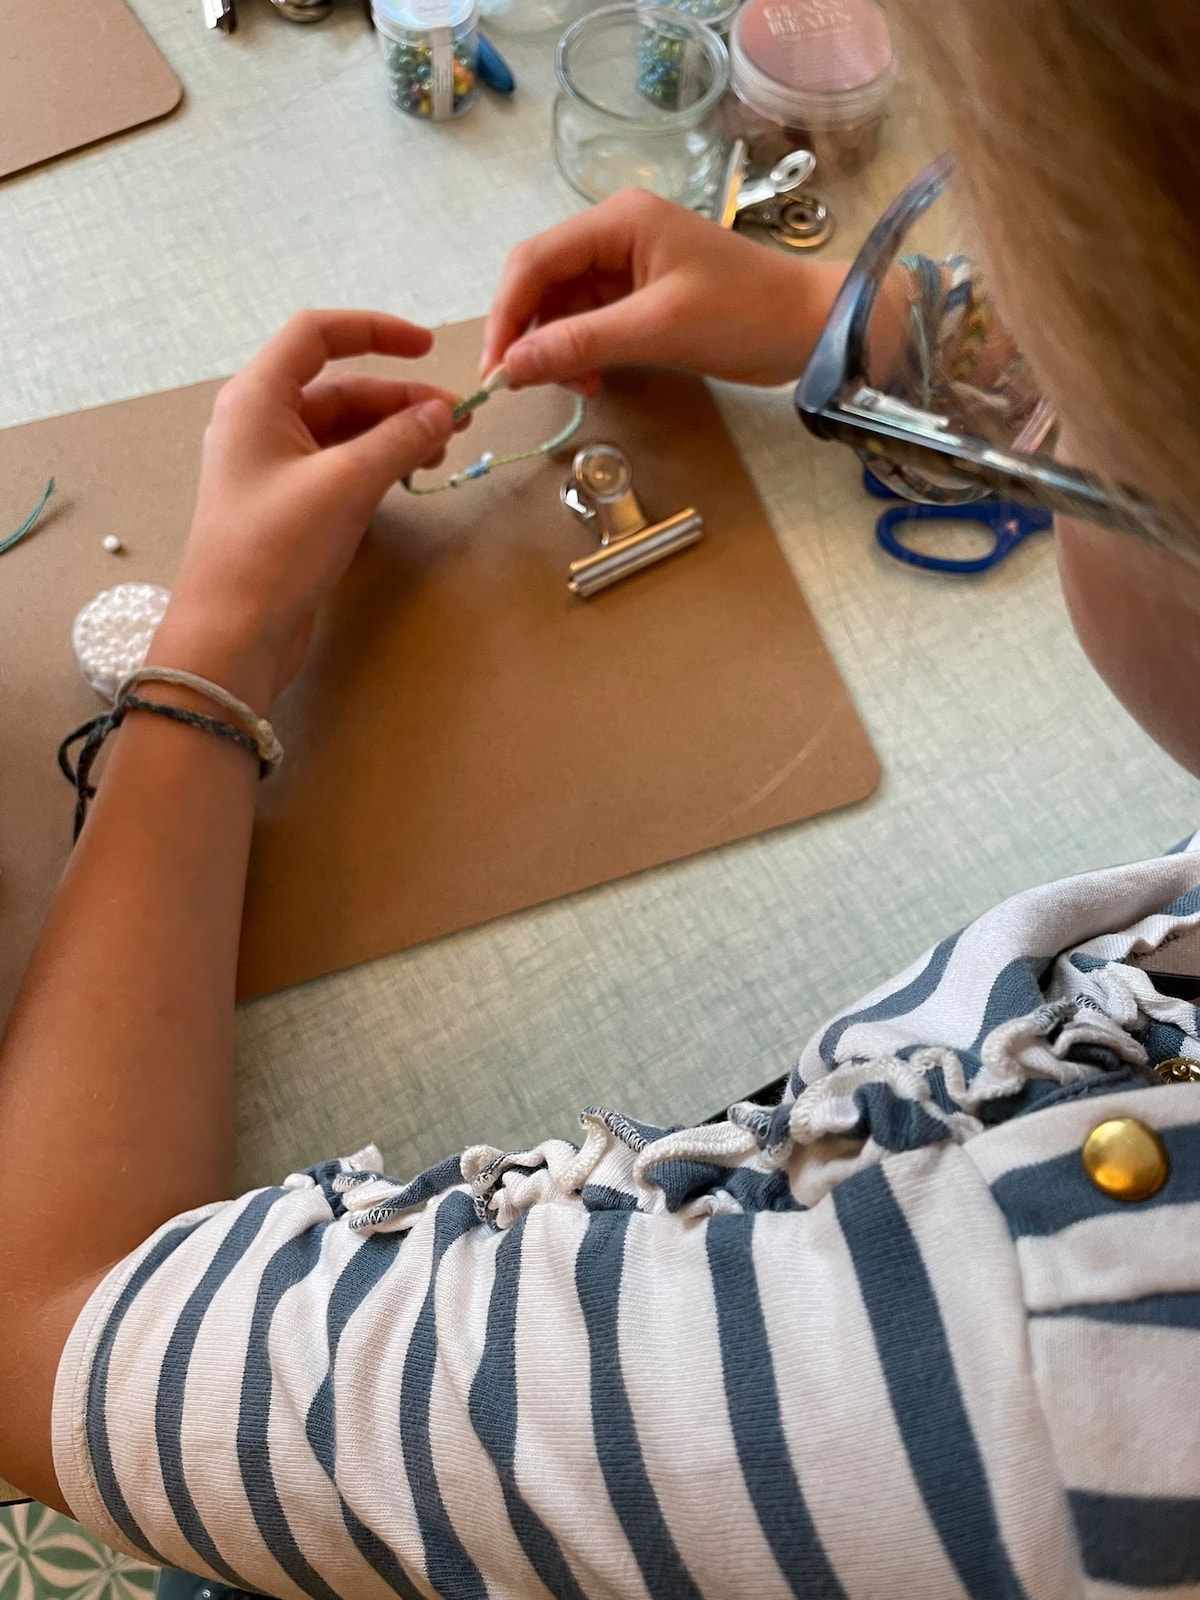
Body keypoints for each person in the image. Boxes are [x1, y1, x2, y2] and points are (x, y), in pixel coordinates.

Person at [2, 1, 1199, 1595]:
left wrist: (216, 650)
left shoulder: (994, 1370)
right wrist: (862, 314)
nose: (1018, 326)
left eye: (1053, 339)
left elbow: (45, 1327)